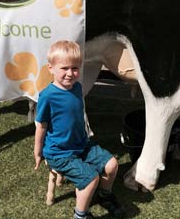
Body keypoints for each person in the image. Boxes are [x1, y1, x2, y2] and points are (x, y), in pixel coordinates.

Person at [34, 40, 124, 219]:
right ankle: (80, 215)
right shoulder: (47, 96)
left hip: (81, 145)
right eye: (64, 68)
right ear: (50, 68)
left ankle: (104, 197)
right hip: (59, 153)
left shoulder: (77, 87)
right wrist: (38, 152)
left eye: (75, 68)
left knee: (112, 165)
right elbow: (41, 126)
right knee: (91, 179)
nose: (70, 73)